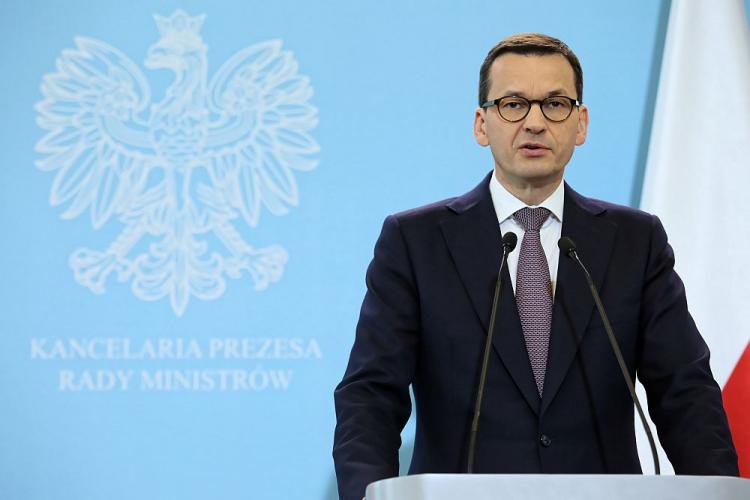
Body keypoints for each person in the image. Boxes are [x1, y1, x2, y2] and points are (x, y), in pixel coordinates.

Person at [332, 33, 738, 500]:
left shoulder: (634, 241)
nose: (535, 122)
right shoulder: (416, 241)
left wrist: (720, 491)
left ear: (580, 124)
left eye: (556, 104)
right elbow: (371, 394)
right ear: (481, 124)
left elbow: (684, 391)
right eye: (512, 105)